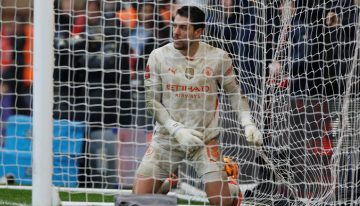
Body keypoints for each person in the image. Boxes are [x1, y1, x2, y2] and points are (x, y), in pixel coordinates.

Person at [132, 6, 262, 206]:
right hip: (167, 139)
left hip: (205, 141)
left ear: (199, 32)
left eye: (183, 28)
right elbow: (152, 102)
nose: (175, 32)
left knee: (221, 203)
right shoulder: (158, 56)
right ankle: (165, 184)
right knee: (136, 202)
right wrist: (177, 130)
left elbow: (235, 94)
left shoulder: (218, 57)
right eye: (175, 25)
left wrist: (248, 124)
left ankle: (233, 191)